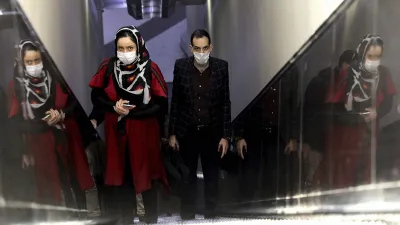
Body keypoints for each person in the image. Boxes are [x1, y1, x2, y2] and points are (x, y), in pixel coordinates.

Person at [88, 25, 169, 224]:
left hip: (144, 132)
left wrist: (134, 113)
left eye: (129, 48)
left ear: (138, 46)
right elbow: (96, 96)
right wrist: (113, 107)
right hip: (117, 132)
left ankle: (150, 219)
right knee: (121, 177)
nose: (125, 53)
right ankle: (125, 219)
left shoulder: (150, 68)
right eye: (121, 48)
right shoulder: (108, 67)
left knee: (146, 175)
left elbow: (161, 104)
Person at [7, 40, 94, 208]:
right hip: (38, 145)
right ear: (22, 63)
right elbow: (15, 121)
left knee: (73, 181)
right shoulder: (17, 86)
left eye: (37, 60)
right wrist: (43, 123)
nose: (34, 65)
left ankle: (80, 213)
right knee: (50, 188)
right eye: (29, 62)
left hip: (65, 138)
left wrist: (61, 114)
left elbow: (74, 102)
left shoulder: (56, 78)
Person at [315, 35, 396, 189]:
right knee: (343, 177)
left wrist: (376, 112)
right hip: (345, 134)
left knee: (368, 174)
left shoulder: (383, 73)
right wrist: (357, 117)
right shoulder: (349, 74)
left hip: (370, 132)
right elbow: (333, 107)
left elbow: (388, 100)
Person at [168, 29, 231, 219]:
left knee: (212, 177)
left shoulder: (221, 67)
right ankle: (187, 217)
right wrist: (172, 133)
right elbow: (176, 101)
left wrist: (226, 135)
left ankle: (211, 216)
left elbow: (225, 102)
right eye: (197, 48)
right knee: (188, 177)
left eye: (205, 48)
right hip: (188, 130)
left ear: (211, 48)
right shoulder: (181, 67)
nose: (201, 52)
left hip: (212, 130)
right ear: (191, 48)